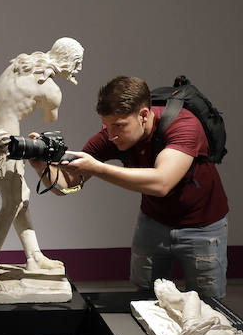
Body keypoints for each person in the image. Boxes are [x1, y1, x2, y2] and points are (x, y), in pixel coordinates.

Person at [33, 76, 229, 298]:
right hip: (154, 221)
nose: (111, 135)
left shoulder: (184, 125)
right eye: (106, 126)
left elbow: (162, 182)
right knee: (144, 299)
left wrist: (97, 168)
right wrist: (41, 166)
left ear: (144, 115)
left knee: (208, 307)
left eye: (119, 125)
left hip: (202, 227)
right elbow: (68, 185)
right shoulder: (112, 135)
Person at [0, 38, 84, 291]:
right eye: (77, 64)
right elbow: (49, 118)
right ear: (69, 61)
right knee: (11, 204)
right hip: (4, 144)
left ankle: (34, 257)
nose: (76, 71)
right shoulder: (52, 90)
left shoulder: (20, 63)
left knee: (22, 197)